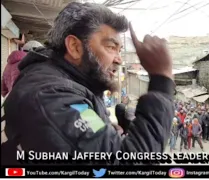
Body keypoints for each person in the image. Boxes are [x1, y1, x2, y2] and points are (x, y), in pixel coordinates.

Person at [2, 2, 175, 165]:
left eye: (119, 50)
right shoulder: (51, 96)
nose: (119, 59)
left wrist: (108, 132)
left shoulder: (71, 84)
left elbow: (86, 125)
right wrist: (162, 79)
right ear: (75, 47)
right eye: (111, 47)